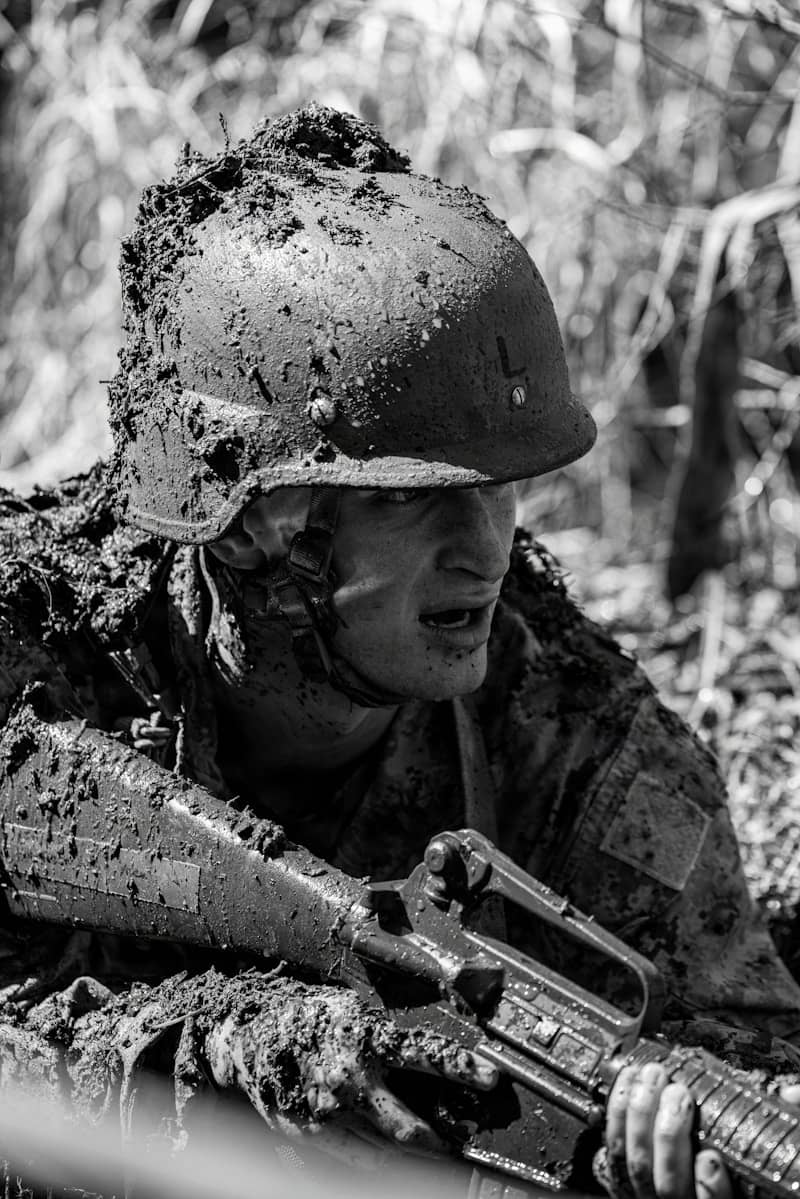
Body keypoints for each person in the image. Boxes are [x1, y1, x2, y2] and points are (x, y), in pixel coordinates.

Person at [1, 104, 799, 1199]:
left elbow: (750, 1041)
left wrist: (661, 1120)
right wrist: (253, 1064)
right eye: (419, 505)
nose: (485, 552)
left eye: (503, 490)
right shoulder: (34, 658)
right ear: (255, 522)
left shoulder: (567, 718)